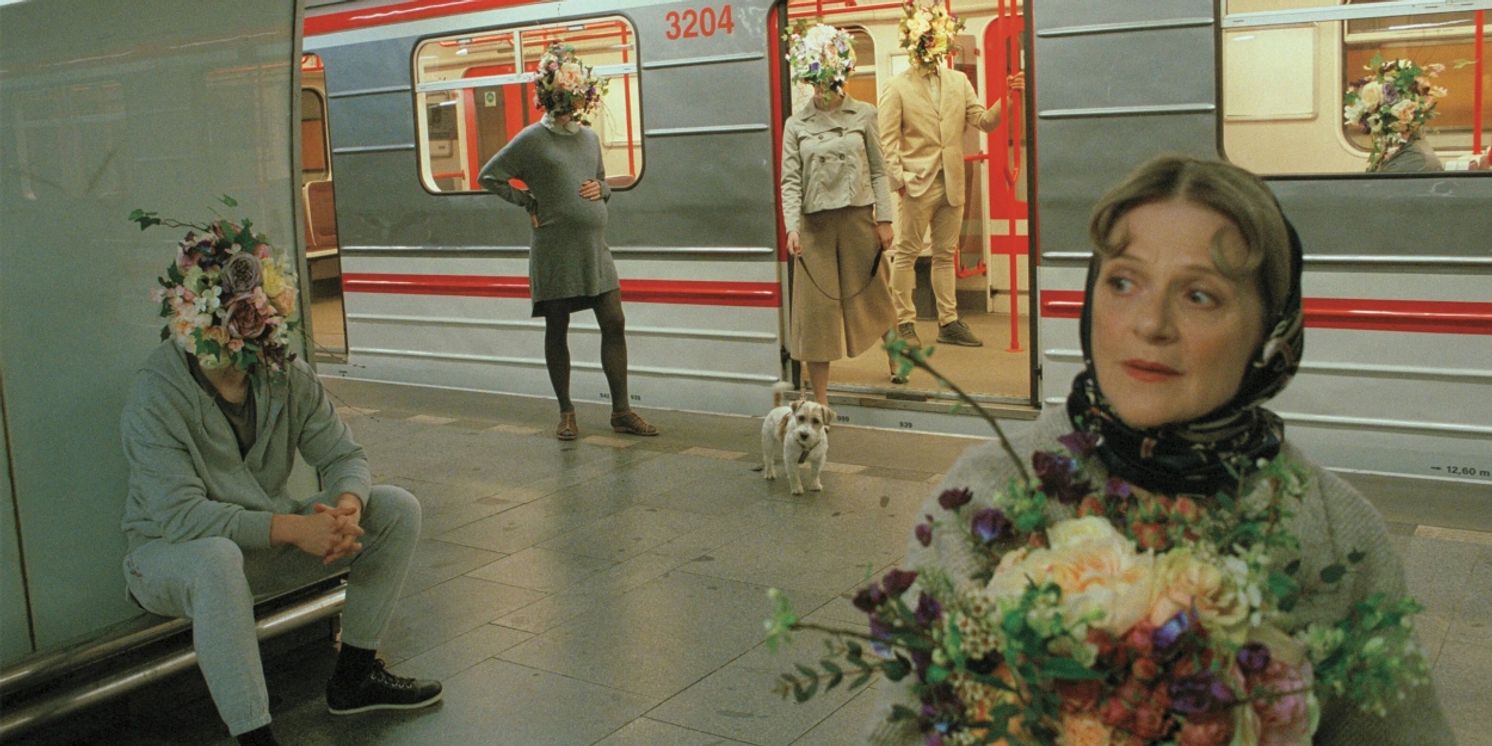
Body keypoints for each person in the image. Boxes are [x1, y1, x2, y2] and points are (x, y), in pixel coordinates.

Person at [868, 155, 1454, 744]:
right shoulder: (985, 495)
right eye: (1122, 282)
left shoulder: (1337, 532)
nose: (1150, 323)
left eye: (1199, 295)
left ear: (1270, 330)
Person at [121, 215, 441, 746]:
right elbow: (181, 517)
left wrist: (347, 507)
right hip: (169, 557)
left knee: (396, 508)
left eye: (255, 318)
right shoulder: (155, 395)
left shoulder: (281, 372)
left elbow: (343, 454)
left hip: (262, 547)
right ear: (193, 318)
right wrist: (294, 529)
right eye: (235, 319)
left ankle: (355, 676)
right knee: (217, 558)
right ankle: (254, 735)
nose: (248, 333)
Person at [478, 43, 657, 441]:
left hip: (595, 249)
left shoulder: (590, 139)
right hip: (555, 250)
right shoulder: (531, 139)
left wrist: (603, 189)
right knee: (557, 326)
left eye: (576, 95)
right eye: (566, 94)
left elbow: (601, 181)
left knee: (614, 321)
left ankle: (621, 411)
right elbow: (488, 176)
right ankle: (566, 411)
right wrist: (527, 201)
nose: (571, 102)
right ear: (551, 93)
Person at [878, 2, 1023, 349]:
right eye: (927, 38)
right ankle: (905, 321)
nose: (931, 45)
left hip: (953, 179)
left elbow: (984, 121)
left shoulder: (959, 81)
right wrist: (899, 181)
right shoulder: (897, 87)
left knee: (945, 254)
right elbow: (887, 142)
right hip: (916, 183)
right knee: (908, 253)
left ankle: (948, 321)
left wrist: (1009, 97)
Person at [779, 22, 897, 403]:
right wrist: (792, 227)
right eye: (815, 77)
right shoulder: (796, 125)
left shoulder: (864, 114)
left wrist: (885, 219)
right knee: (817, 314)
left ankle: (899, 359)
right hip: (814, 227)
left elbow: (879, 170)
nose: (822, 86)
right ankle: (822, 399)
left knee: (875, 294)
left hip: (859, 218)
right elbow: (790, 181)